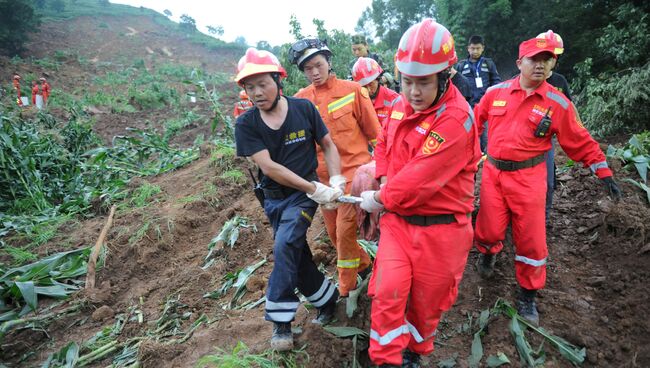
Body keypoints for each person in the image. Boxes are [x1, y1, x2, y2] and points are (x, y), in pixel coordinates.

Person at [473, 36, 622, 326]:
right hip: (493, 174)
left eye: (546, 59)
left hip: (529, 179)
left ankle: (527, 294)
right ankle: (488, 254)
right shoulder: (495, 93)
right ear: (519, 63)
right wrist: (464, 156)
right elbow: (473, 124)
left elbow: (580, 140)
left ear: (552, 64)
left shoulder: (557, 102)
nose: (540, 64)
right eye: (533, 59)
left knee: (531, 239)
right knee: (489, 229)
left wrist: (603, 171)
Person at [360, 19, 481, 367]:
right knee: (387, 292)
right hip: (399, 223)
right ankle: (384, 360)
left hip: (442, 232)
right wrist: (382, 178)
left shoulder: (456, 120)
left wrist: (380, 198)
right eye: (406, 81)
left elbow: (418, 179)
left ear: (446, 77)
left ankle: (416, 352)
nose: (413, 91)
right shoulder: (399, 106)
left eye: (423, 82)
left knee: (426, 305)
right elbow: (383, 143)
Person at [233, 47, 343, 351]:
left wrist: (334, 179)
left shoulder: (303, 109)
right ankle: (328, 300)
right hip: (274, 199)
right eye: (249, 86)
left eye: (262, 84)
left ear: (278, 80)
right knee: (295, 253)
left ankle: (281, 322)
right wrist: (314, 188)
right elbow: (269, 168)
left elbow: (328, 144)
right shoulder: (246, 125)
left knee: (283, 246)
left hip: (302, 199)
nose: (256, 92)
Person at [290, 37, 381, 297]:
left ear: (328, 62)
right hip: (323, 183)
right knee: (333, 234)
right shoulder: (301, 100)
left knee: (343, 234)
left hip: (355, 176)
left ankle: (346, 290)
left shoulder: (353, 90)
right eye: (308, 69)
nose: (315, 72)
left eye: (318, 65)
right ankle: (364, 266)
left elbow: (376, 134)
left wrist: (383, 172)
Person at [536, 30, 572, 223]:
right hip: (525, 141)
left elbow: (569, 112)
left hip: (547, 141)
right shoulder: (528, 78)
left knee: (548, 183)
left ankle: (544, 217)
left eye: (553, 56)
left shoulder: (559, 82)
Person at [456, 35, 501, 151]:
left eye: (478, 48)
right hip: (467, 106)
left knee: (486, 136)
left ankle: (486, 158)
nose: (475, 51)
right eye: (472, 48)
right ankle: (473, 158)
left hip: (485, 106)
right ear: (468, 48)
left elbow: (496, 83)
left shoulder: (488, 64)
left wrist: (493, 101)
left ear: (482, 48)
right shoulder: (461, 65)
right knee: (469, 133)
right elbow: (455, 86)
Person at [351, 57, 400, 123]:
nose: (368, 90)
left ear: (378, 79)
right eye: (364, 86)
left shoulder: (394, 99)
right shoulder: (355, 102)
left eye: (371, 84)